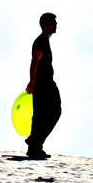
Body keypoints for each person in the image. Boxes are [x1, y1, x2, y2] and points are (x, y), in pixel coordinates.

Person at [24, 13, 62, 159]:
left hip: (44, 82)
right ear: (45, 25)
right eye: (52, 23)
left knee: (41, 115)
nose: (55, 25)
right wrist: (32, 81)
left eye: (55, 22)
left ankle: (34, 145)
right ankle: (35, 142)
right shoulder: (41, 42)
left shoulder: (45, 41)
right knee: (53, 112)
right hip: (43, 83)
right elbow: (34, 61)